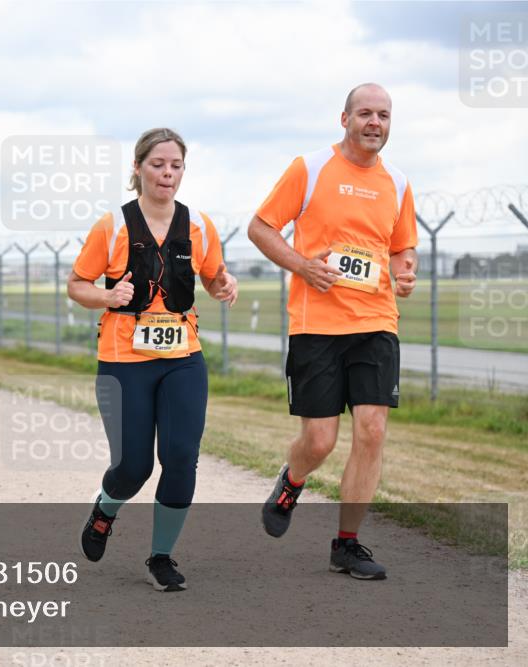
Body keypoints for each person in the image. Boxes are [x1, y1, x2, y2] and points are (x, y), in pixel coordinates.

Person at [247, 83, 418, 581]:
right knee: (320, 440)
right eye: (365, 113)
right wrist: (302, 265)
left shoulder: (399, 182)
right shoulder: (311, 168)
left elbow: (402, 248)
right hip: (316, 325)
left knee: (372, 429)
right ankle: (292, 479)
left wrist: (405, 272)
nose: (374, 123)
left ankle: (347, 545)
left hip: (375, 323)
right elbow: (261, 228)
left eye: (383, 115)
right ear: (344, 118)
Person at [68, 128, 238, 592]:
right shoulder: (113, 226)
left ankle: (161, 556)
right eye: (158, 164)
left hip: (183, 357)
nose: (167, 173)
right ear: (138, 168)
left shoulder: (199, 225)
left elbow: (214, 275)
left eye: (176, 165)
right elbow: (77, 285)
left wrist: (225, 285)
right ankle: (105, 510)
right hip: (124, 360)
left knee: (182, 457)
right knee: (134, 467)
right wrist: (107, 294)